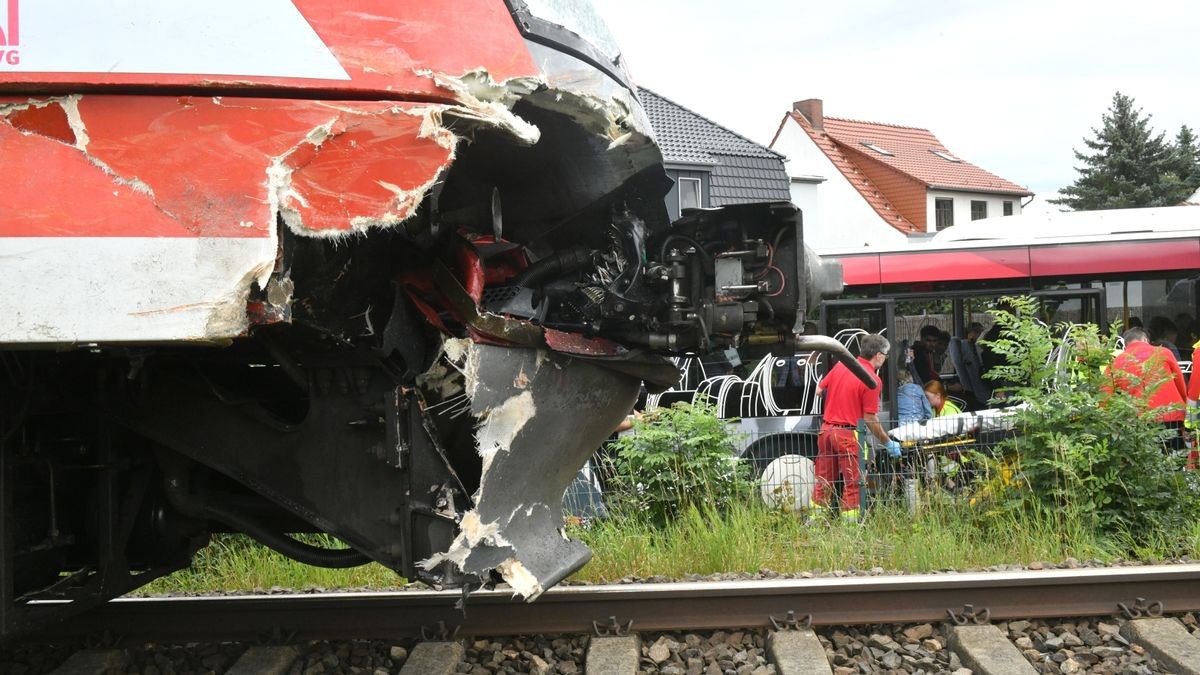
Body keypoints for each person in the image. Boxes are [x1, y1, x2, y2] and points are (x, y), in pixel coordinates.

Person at [814, 334, 900, 522]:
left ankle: (814, 524)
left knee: (824, 481)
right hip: (847, 435)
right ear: (878, 355)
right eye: (885, 355)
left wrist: (838, 401)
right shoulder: (872, 380)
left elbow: (820, 391)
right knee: (854, 483)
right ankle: (851, 531)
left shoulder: (842, 364)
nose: (885, 360)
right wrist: (887, 442)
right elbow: (869, 418)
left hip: (826, 431)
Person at [1107, 327, 1187, 450]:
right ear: (1145, 339)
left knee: (1145, 463)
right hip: (1170, 416)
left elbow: (1105, 394)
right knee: (1174, 459)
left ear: (1125, 343)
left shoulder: (1116, 361)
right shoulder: (1164, 352)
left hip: (1136, 420)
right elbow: (1180, 383)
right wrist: (1185, 409)